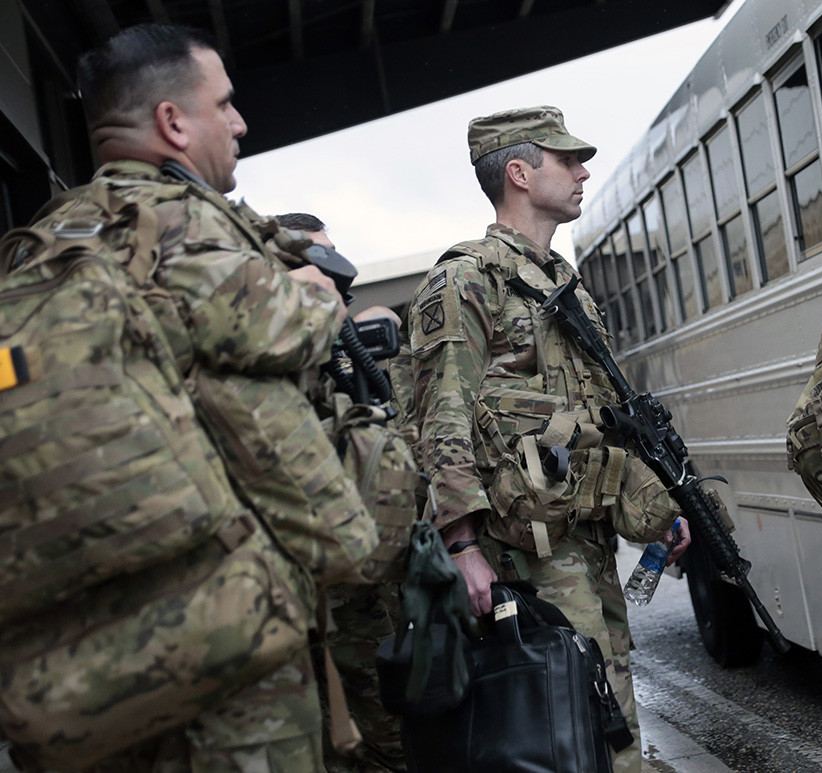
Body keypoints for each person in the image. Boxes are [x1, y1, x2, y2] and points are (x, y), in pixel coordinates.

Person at [45, 23, 367, 771]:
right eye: (224, 104)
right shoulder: (178, 224)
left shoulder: (55, 239)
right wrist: (314, 291)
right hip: (232, 644)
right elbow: (296, 330)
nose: (240, 122)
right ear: (172, 123)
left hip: (108, 653)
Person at [409, 105, 691, 773]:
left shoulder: (565, 289)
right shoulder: (466, 280)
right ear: (519, 173)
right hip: (525, 562)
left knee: (610, 718)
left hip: (585, 545)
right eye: (566, 159)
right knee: (565, 736)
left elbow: (603, 421)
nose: (582, 169)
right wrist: (463, 546)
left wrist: (659, 507)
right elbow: (440, 418)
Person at [275, 211, 411, 773]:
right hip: (315, 595)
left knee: (392, 728)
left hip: (371, 591)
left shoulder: (339, 356)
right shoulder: (271, 362)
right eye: (318, 260)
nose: (336, 276)